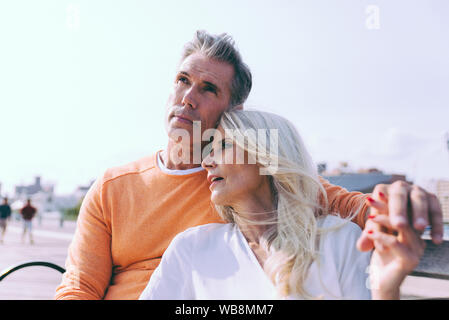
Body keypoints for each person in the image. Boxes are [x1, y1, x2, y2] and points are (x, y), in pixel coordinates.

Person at [55, 31, 441, 300]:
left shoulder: (244, 180)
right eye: (182, 80)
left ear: (235, 113)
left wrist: (399, 199)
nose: (188, 97)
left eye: (208, 89)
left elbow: (345, 204)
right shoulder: (112, 186)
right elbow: (79, 288)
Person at [139, 110, 424, 299]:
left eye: (223, 146)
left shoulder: (340, 240)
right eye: (207, 150)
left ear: (266, 156)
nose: (206, 162)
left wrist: (386, 291)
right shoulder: (190, 248)